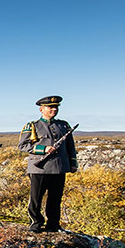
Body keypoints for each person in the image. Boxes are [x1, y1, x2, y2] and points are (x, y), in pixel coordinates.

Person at [18, 95, 78, 233]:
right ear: (41, 109)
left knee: (55, 199)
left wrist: (72, 164)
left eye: (55, 107)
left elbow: (70, 146)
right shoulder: (33, 126)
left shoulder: (63, 125)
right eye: (50, 107)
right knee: (36, 198)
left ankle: (53, 225)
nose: (54, 109)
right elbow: (22, 145)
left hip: (59, 167)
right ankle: (36, 223)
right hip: (39, 168)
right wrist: (43, 149)